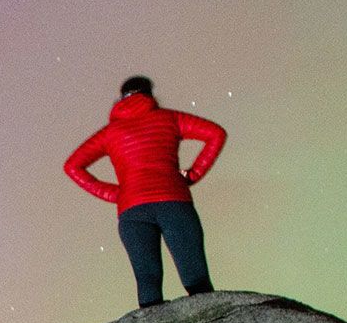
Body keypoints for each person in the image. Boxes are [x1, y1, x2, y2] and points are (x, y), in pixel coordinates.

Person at [62, 75, 226, 308]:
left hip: (132, 210)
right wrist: (194, 173)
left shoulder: (110, 133)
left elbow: (72, 166)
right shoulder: (170, 118)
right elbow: (215, 133)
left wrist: (115, 193)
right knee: (196, 278)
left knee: (148, 285)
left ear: (121, 99)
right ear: (149, 94)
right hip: (174, 201)